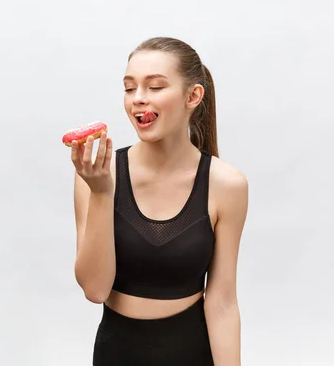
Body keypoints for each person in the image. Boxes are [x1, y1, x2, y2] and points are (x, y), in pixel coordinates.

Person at [69, 37, 249, 365]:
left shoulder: (227, 185)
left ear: (192, 96)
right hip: (117, 353)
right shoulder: (96, 175)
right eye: (129, 88)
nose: (138, 99)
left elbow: (222, 303)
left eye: (154, 87)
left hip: (191, 352)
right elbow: (95, 290)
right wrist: (101, 192)